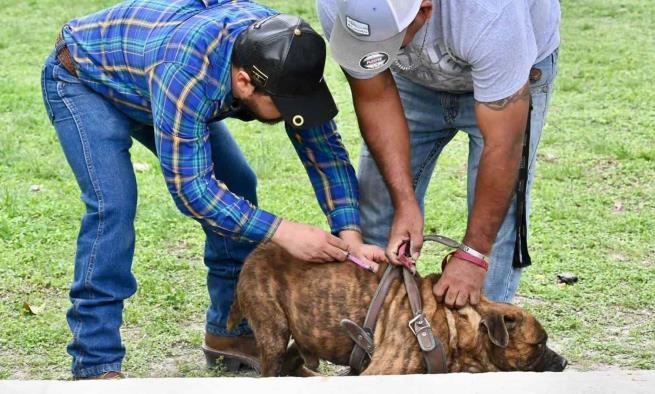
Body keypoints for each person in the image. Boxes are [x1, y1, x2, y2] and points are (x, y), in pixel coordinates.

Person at [41, 0, 384, 379]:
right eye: (286, 106)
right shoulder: (188, 72)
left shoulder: (286, 51)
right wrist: (282, 231)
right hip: (84, 77)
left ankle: (230, 334)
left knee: (237, 184)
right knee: (113, 207)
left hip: (152, 76)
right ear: (243, 82)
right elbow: (193, 190)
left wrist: (349, 232)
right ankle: (95, 363)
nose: (293, 114)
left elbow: (325, 152)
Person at [317, 0, 560, 307]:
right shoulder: (338, 6)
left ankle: (482, 344)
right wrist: (404, 202)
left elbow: (503, 145)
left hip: (509, 74)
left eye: (385, 38)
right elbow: (374, 96)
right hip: (410, 80)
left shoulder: (492, 13)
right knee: (377, 210)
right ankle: (381, 338)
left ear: (424, 9)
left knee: (496, 233)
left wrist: (474, 253)